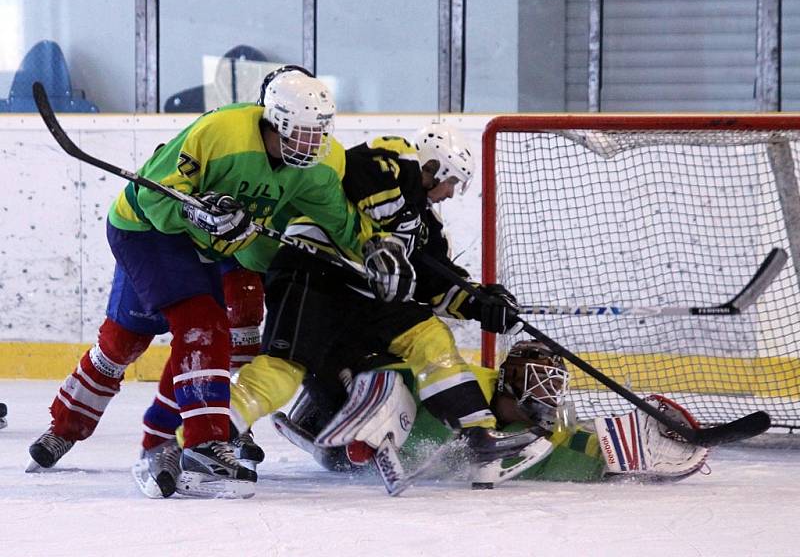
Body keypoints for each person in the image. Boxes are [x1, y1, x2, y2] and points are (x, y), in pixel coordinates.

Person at [27, 66, 370, 499]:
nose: (312, 144)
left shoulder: (317, 166)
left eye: (318, 133)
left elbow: (341, 224)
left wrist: (376, 251)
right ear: (275, 119)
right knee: (153, 336)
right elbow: (153, 196)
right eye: (301, 133)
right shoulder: (221, 132)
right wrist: (193, 210)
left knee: (183, 334)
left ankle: (168, 441)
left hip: (201, 250)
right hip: (146, 229)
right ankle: (72, 428)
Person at [227, 123, 537, 479]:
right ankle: (207, 435)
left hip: (363, 295)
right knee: (284, 369)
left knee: (428, 336)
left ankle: (477, 433)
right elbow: (354, 169)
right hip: (311, 272)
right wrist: (387, 232)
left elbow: (436, 285)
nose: (450, 194)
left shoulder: (425, 227)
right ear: (434, 167)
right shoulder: (395, 159)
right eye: (451, 182)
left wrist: (482, 303)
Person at [278, 339, 710, 484]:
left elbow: (586, 449)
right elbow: (403, 370)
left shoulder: (541, 436)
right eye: (534, 381)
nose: (544, 396)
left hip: (365, 458)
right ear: (507, 379)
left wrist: (635, 449)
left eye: (553, 386)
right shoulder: (465, 385)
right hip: (341, 432)